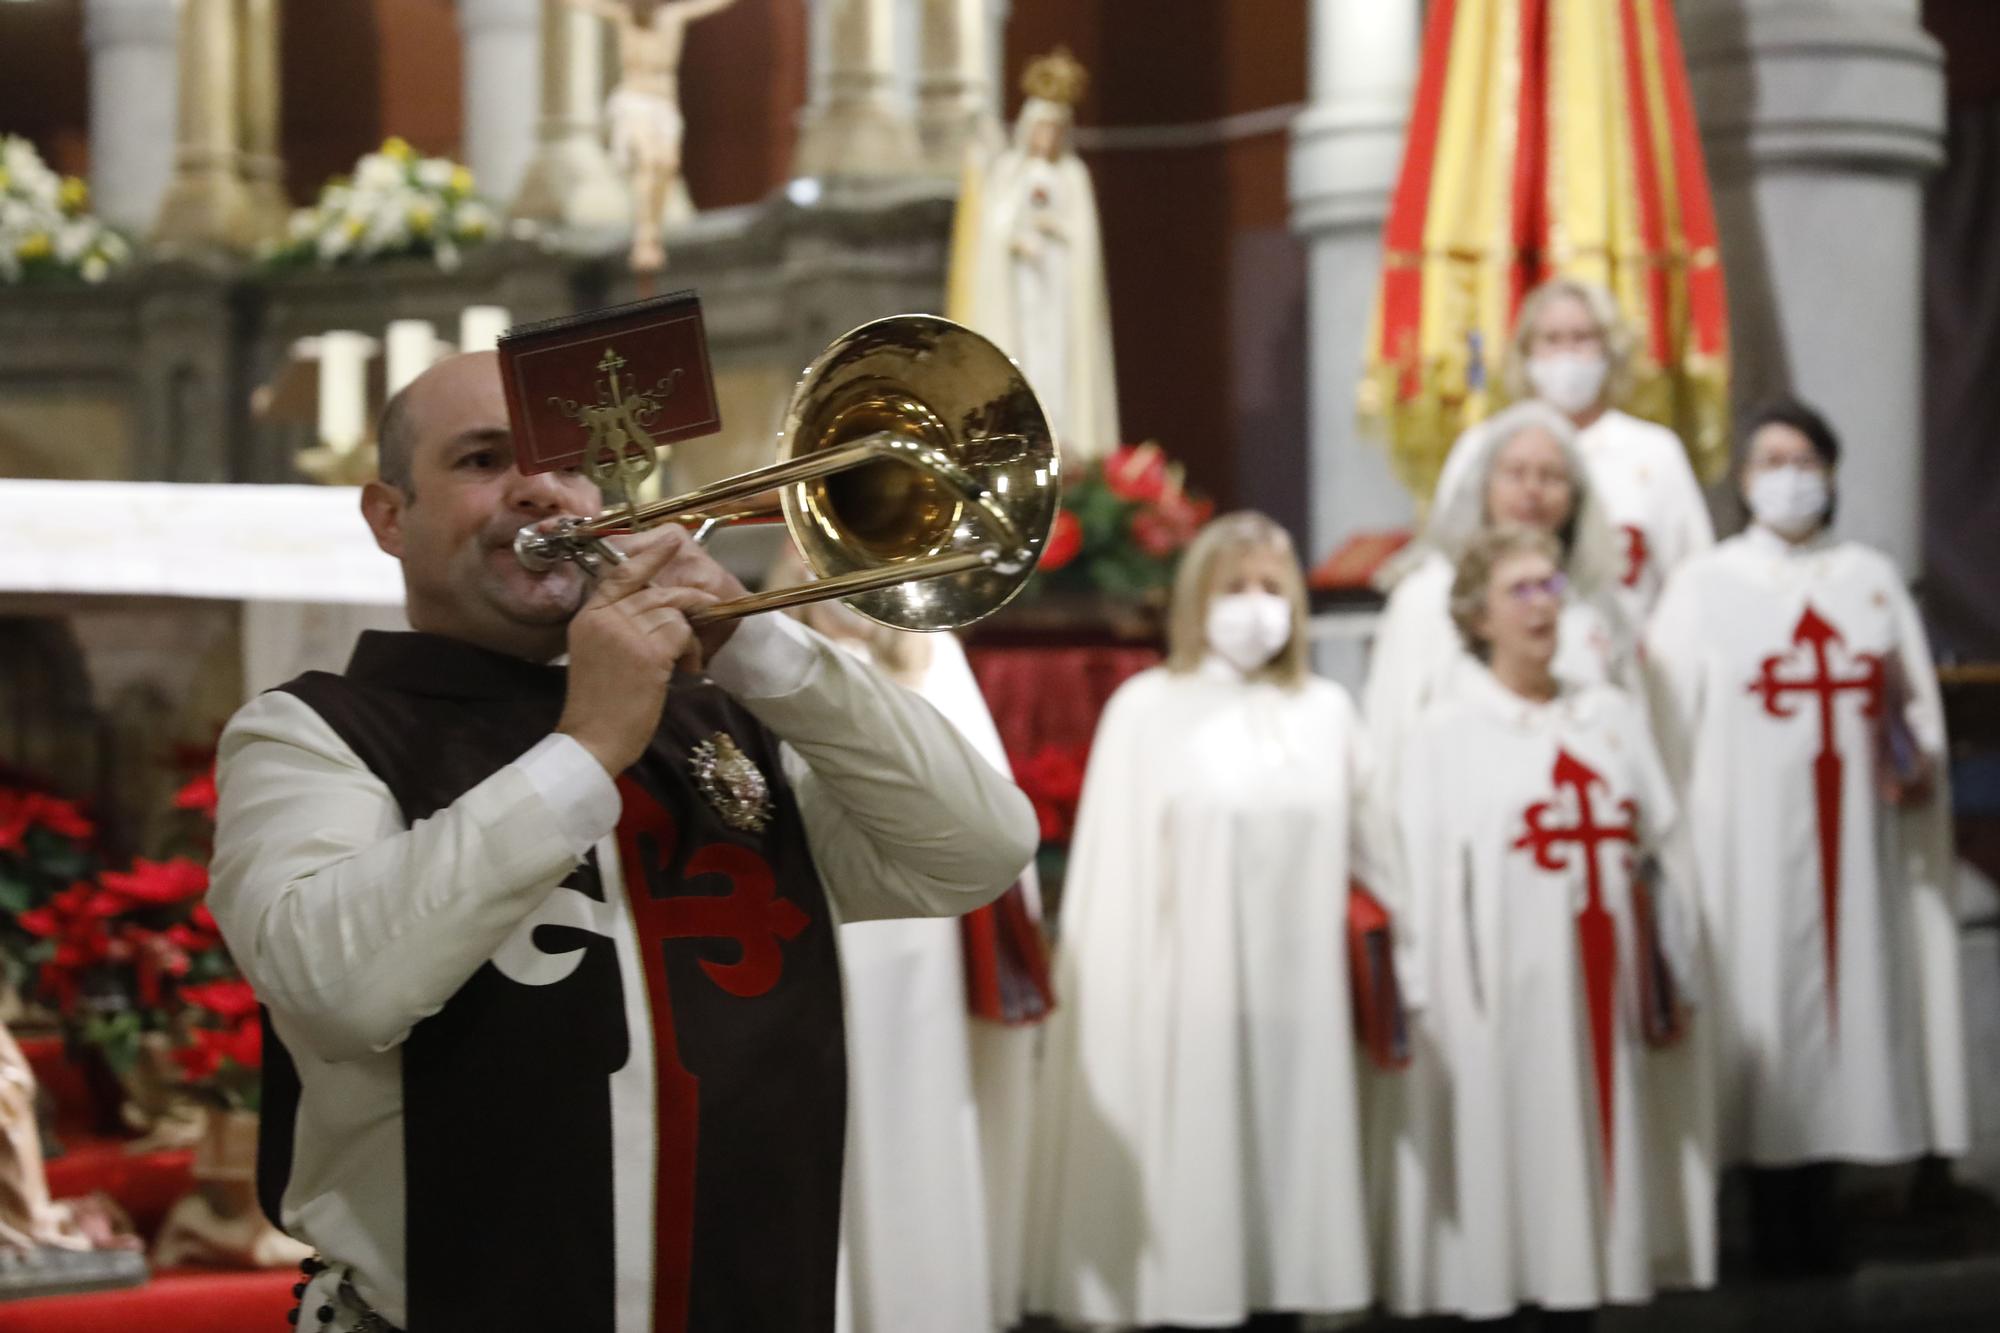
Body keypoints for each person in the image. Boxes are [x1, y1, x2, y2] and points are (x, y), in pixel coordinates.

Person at [207, 351, 1038, 1333]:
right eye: (481, 460)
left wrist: (753, 640)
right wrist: (586, 742)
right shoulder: (313, 733)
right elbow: (336, 990)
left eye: (570, 464)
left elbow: (977, 849)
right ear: (389, 516)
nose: (541, 492)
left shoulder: (721, 717)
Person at [1024, 511, 1402, 1327]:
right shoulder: (1148, 708)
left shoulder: (1327, 710)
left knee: (1290, 1177)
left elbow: (1379, 853)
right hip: (1187, 1000)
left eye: (1273, 587)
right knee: (1204, 1183)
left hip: (1305, 1003)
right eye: (1236, 587)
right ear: (1197, 599)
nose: (1256, 605)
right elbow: (1114, 882)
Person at [1644, 397, 1969, 1274]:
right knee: (1759, 1008)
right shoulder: (1704, 585)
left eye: (1804, 459)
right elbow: (1666, 725)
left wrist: (1914, 754)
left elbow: (1917, 714)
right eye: (1769, 461)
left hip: (1855, 845)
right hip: (1742, 845)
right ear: (1743, 481)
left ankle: (1828, 1202)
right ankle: (1758, 1211)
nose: (1788, 477)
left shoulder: (1868, 577)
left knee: (1846, 1009)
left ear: (1830, 472)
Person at [1387, 525, 1714, 1326]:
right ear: (1478, 616)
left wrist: (1681, 969)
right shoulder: (1445, 732)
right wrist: (1437, 1001)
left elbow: (1664, 849)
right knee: (1517, 1166)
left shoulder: (1608, 715)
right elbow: (1422, 882)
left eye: (1550, 587)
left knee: (1601, 1169)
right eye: (1519, 591)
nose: (1542, 606)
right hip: (1504, 989)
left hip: (1606, 982)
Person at [778, 578, 1051, 1333]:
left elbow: (988, 814)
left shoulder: (936, 658)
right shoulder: (761, 659)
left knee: (912, 1111)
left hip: (918, 947)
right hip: (816, 923)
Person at [1363, 399, 1630, 798]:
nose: (1532, 490)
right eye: (1515, 473)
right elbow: (1389, 738)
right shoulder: (1426, 598)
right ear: (1482, 486)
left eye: (1551, 476)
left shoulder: (1597, 603)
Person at [1498, 277, 1715, 627]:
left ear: (1610, 349)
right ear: (1525, 352)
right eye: (1551, 340)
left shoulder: (1654, 451)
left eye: (1582, 338)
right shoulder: (1489, 447)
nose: (1566, 354)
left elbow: (1693, 578)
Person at [959, 48, 1120, 462]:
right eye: (1041, 128)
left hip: (1060, 289)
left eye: (1055, 129)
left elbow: (1083, 238)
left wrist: (1057, 230)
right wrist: (1014, 238)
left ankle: (1068, 443)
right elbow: (994, 231)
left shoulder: (1073, 175)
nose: (1047, 137)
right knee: (1026, 360)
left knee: (1060, 371)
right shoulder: (1009, 171)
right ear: (1029, 127)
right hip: (1022, 292)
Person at [560, 0, 741, 273]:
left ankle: (653, 232)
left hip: (663, 105)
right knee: (647, 159)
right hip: (633, 101)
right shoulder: (624, 17)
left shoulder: (672, 17)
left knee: (666, 164)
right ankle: (644, 239)